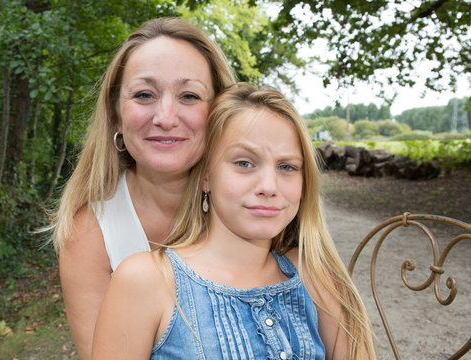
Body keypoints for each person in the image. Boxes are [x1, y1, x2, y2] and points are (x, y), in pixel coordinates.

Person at [92, 83, 376, 360]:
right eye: (244, 163)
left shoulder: (313, 276)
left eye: (287, 167)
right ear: (206, 177)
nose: (269, 186)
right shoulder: (147, 282)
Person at [49, 17, 236, 359]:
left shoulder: (255, 209)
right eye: (144, 95)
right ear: (117, 116)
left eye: (190, 95)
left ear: (222, 112)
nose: (165, 116)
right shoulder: (90, 234)